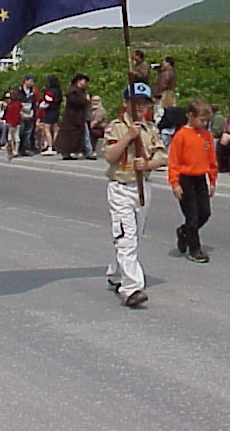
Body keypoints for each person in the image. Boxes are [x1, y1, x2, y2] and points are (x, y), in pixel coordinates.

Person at [104, 81, 167, 307]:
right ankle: (131, 287)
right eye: (135, 103)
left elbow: (162, 155)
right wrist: (128, 137)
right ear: (125, 104)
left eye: (143, 104)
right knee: (127, 237)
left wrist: (148, 164)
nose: (140, 108)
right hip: (121, 186)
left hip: (141, 187)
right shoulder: (116, 127)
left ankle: (115, 272)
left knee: (134, 235)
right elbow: (110, 156)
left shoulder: (150, 128)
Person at [168, 99, 219, 263]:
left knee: (205, 212)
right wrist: (175, 183)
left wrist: (212, 180)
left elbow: (212, 161)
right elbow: (174, 161)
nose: (204, 124)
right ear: (190, 116)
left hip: (200, 178)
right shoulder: (181, 135)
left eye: (206, 121)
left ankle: (184, 231)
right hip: (186, 178)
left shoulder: (206, 136)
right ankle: (194, 249)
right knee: (192, 215)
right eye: (201, 120)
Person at [56, 74, 96, 160]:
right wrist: (86, 100)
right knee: (75, 136)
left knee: (83, 135)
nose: (85, 84)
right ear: (79, 81)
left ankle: (86, 152)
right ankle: (87, 152)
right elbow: (76, 102)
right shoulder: (73, 91)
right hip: (73, 118)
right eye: (84, 81)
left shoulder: (79, 91)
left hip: (78, 118)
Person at [40, 75, 62, 155]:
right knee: (55, 128)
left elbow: (47, 102)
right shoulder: (59, 91)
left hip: (50, 111)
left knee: (47, 128)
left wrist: (41, 106)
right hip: (57, 110)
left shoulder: (50, 92)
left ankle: (50, 146)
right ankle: (56, 145)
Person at [17, 75, 39, 155]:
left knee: (28, 132)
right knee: (21, 131)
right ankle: (20, 148)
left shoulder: (33, 91)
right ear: (25, 81)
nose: (32, 83)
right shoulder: (18, 90)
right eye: (30, 81)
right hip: (21, 113)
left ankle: (27, 148)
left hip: (30, 113)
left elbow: (35, 102)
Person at [3, 89, 23, 159]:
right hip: (15, 122)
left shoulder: (13, 105)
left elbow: (13, 114)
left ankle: (14, 149)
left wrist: (11, 123)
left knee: (12, 136)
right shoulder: (17, 104)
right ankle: (15, 150)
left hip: (13, 123)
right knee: (15, 136)